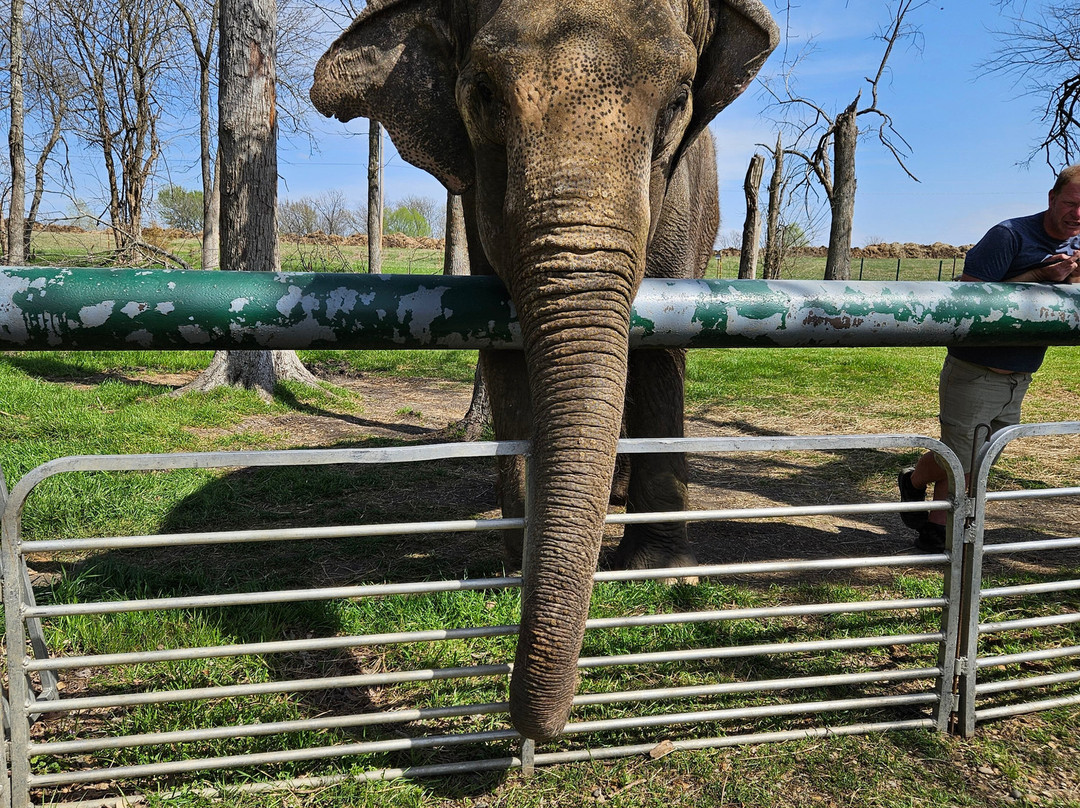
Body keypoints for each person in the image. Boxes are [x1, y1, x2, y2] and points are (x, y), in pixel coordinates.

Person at [899, 164, 1080, 551]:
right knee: (962, 457)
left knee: (982, 455)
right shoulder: (1008, 235)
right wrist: (1038, 275)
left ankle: (914, 481)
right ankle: (937, 530)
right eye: (1072, 203)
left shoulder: (1077, 244)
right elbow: (970, 300)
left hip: (1022, 372)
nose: (1078, 215)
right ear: (1052, 198)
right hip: (975, 368)